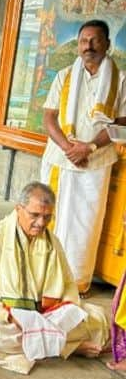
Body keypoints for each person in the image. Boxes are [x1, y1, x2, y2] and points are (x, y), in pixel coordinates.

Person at [0, 182, 110, 375]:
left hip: (46, 315)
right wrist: (9, 316)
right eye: (34, 215)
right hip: (10, 318)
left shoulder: (53, 241)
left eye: (47, 217)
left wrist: (69, 307)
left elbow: (68, 283)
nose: (41, 223)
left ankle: (45, 344)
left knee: (98, 317)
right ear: (19, 209)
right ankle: (64, 347)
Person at [41, 19, 126, 296]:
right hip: (60, 159)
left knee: (84, 224)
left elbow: (123, 123)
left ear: (107, 44)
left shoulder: (121, 80)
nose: (87, 46)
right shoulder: (64, 76)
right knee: (52, 216)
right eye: (83, 41)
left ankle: (76, 282)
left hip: (96, 164)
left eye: (94, 40)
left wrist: (88, 147)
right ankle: (46, 275)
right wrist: (69, 147)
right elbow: (49, 117)